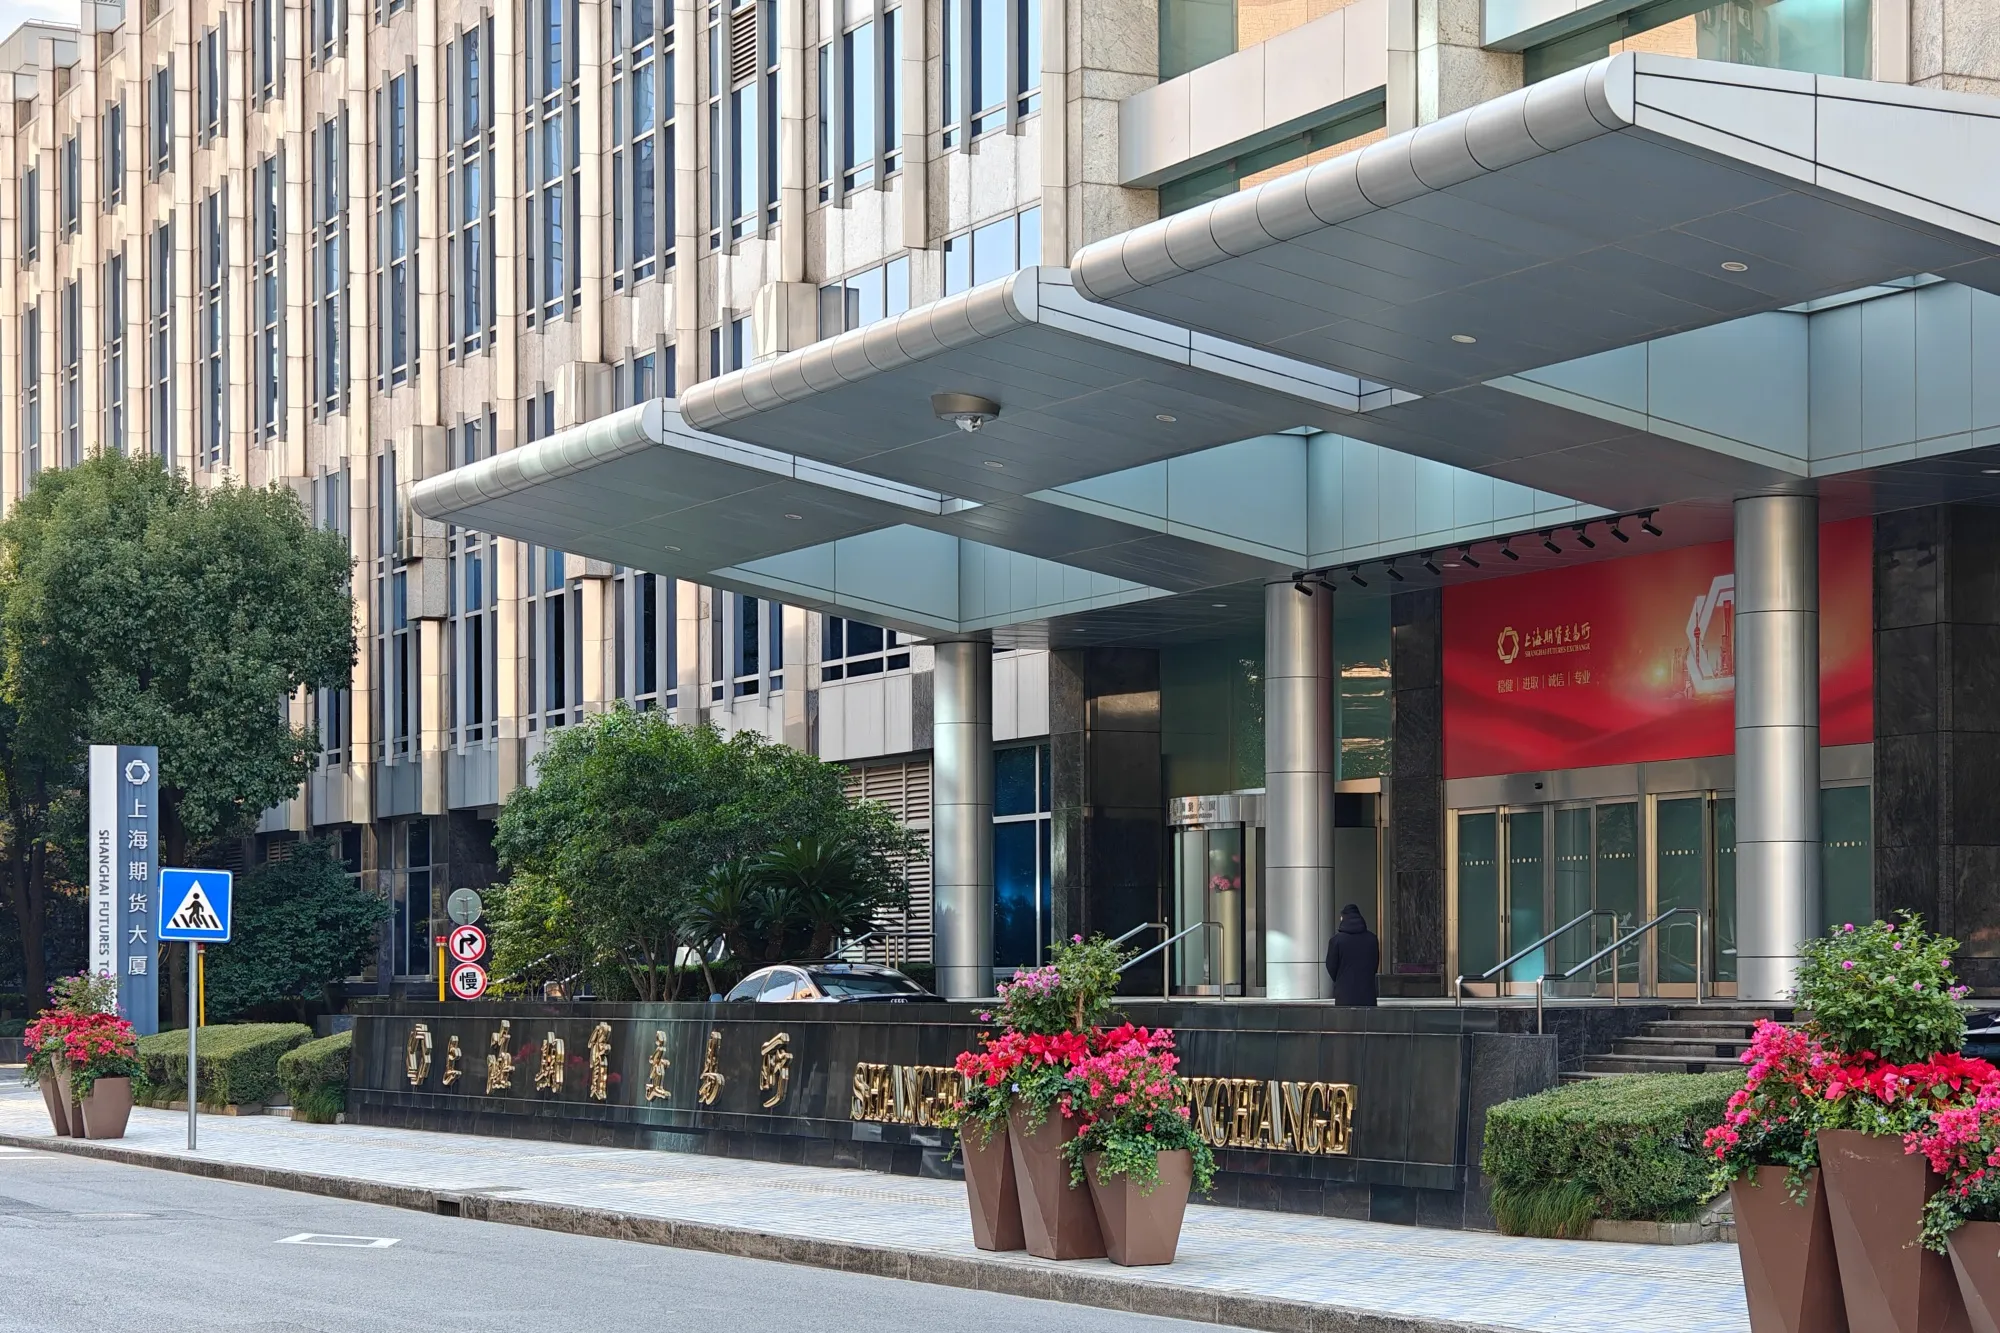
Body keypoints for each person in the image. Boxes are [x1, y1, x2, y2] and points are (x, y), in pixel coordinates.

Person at [1325, 904, 1380, 1006]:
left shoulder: (1336, 940)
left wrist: (1341, 978)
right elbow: (1375, 964)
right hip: (1367, 994)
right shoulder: (1372, 939)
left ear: (1343, 918)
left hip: (1344, 994)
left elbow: (1331, 966)